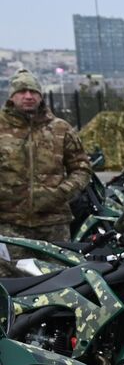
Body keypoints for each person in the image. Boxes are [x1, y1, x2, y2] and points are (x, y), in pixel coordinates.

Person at [0, 70, 91, 276]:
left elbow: (81, 168)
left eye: (33, 91)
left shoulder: (60, 129)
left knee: (60, 281)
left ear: (41, 96)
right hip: (9, 227)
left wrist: (62, 192)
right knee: (13, 288)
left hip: (53, 225)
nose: (28, 96)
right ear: (12, 96)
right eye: (22, 91)